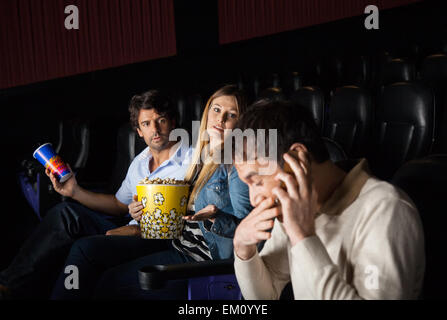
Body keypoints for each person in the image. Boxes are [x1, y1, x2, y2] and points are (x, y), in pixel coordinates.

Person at [50, 84, 252, 299]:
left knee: (107, 283)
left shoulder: (235, 164)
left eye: (231, 115)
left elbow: (250, 232)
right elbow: (165, 212)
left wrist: (216, 217)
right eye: (216, 109)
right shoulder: (203, 157)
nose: (220, 119)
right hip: (175, 241)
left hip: (199, 259)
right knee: (84, 246)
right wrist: (141, 217)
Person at [0, 90, 192, 299]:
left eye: (160, 120)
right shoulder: (140, 161)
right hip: (132, 226)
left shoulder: (192, 159)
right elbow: (119, 205)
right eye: (146, 124)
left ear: (172, 122)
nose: (154, 129)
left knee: (84, 249)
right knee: (65, 213)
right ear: (138, 131)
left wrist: (140, 228)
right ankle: (9, 286)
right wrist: (74, 191)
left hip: (159, 237)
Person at [232, 99, 425, 300]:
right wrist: (243, 249)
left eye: (257, 181)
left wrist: (303, 237)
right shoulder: (295, 206)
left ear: (297, 159)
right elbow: (265, 295)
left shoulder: (388, 209)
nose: (254, 200)